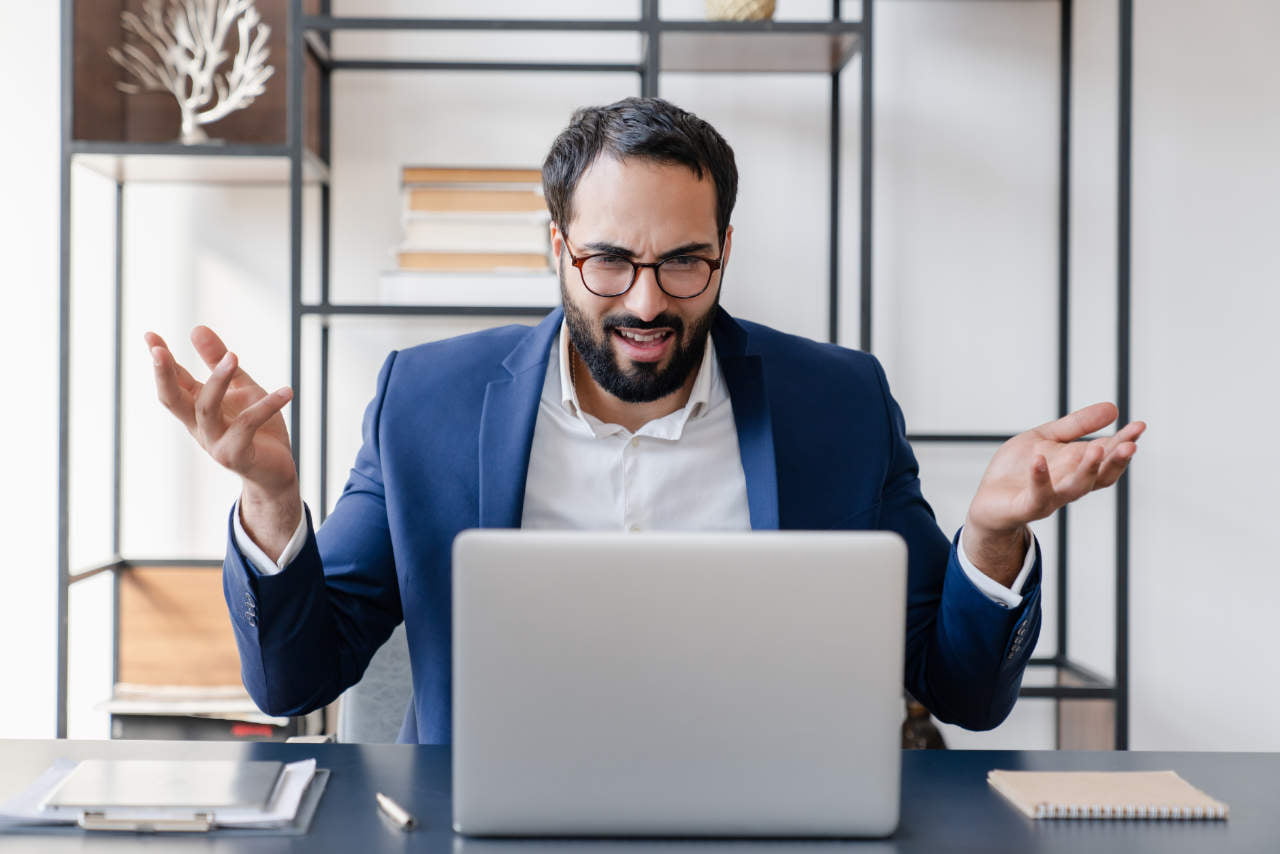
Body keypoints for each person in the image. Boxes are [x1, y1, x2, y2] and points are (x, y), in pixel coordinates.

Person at [144, 97, 1144, 744]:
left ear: (723, 251)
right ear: (557, 247)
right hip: (487, 828)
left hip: (772, 826)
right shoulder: (428, 401)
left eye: (683, 261)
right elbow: (296, 676)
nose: (646, 302)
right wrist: (270, 498)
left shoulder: (834, 404)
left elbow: (960, 689)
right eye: (610, 259)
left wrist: (993, 533)